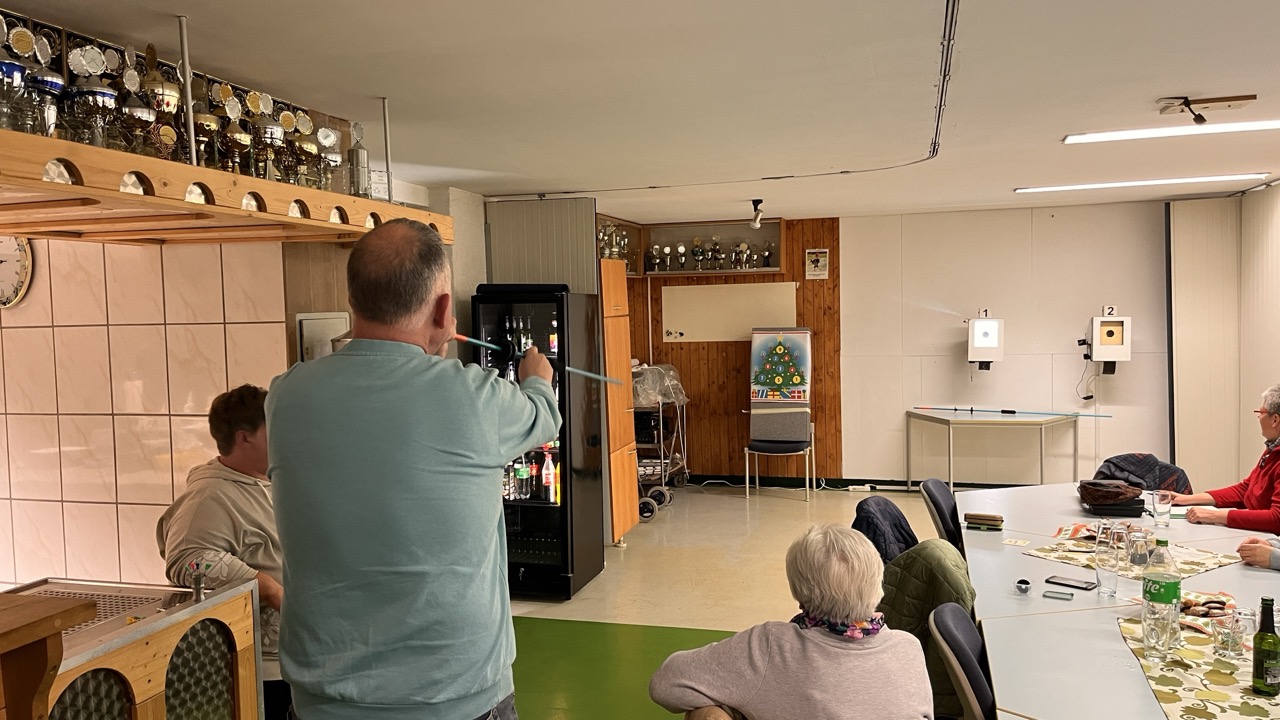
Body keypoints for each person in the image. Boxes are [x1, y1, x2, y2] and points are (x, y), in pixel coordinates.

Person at [266, 218, 559, 720]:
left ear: (353, 300)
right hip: (457, 699)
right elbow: (543, 418)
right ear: (444, 309)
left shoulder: (286, 396)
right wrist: (537, 377)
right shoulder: (476, 397)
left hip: (323, 702)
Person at [649, 523, 934, 720]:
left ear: (800, 593)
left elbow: (665, 684)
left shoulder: (770, 647)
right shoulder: (909, 649)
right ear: (877, 582)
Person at [156, 384, 291, 718]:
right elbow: (187, 560)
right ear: (244, 437)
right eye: (274, 429)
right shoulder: (210, 495)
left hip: (297, 653)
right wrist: (267, 587)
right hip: (259, 667)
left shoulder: (274, 480)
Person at [1172, 384, 1280, 533]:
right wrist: (1185, 499)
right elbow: (1245, 490)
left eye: (1261, 412)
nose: (1258, 417)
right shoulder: (1272, 449)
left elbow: (1276, 519)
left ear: (1275, 420)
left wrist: (1214, 516)